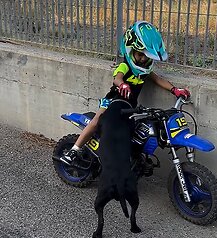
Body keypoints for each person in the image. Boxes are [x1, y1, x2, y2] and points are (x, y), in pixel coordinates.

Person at [60, 21, 190, 165]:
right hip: (113, 100)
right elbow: (117, 78)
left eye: (146, 56)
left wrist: (175, 90)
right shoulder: (125, 65)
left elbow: (158, 80)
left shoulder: (145, 70)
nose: (143, 59)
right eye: (140, 55)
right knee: (97, 120)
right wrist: (122, 84)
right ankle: (74, 150)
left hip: (130, 107)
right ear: (130, 50)